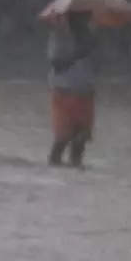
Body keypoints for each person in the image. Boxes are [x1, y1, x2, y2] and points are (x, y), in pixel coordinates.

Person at [47, 11, 95, 168]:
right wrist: (75, 55)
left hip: (84, 92)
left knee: (81, 136)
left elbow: (96, 64)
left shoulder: (90, 37)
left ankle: (75, 167)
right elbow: (56, 62)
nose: (88, 21)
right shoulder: (60, 36)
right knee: (63, 137)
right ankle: (57, 166)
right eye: (85, 18)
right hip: (64, 92)